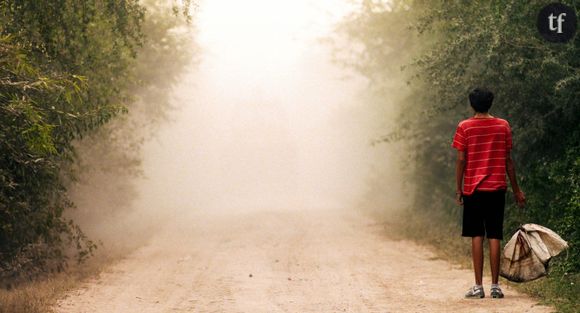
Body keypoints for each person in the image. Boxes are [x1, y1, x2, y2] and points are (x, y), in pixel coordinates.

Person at [452, 87, 526, 299]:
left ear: (472, 104)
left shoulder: (464, 127)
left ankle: (478, 286)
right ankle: (495, 286)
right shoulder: (503, 126)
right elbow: (508, 162)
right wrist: (517, 190)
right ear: (490, 103)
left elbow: (461, 160)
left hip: (473, 190)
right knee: (494, 235)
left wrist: (459, 188)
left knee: (477, 235)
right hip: (496, 188)